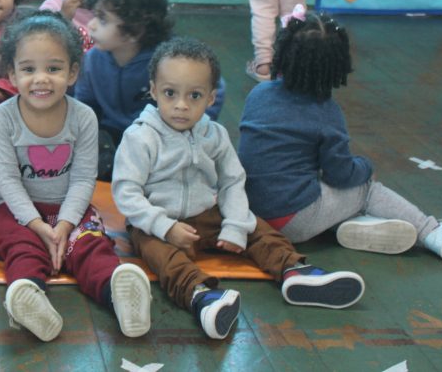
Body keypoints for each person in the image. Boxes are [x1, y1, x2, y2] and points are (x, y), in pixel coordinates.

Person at [113, 37, 364, 341]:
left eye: (194, 95)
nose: (181, 105)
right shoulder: (140, 137)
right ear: (154, 90)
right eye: (170, 93)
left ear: (210, 98)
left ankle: (294, 271)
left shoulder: (215, 134)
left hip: (207, 214)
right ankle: (201, 296)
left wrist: (234, 226)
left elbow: (232, 181)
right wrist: (165, 227)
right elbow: (126, 193)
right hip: (156, 222)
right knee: (158, 253)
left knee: (257, 227)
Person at [239, 6, 442, 260]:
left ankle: (353, 223)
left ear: (284, 52)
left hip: (252, 213)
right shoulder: (325, 112)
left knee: (318, 184)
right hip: (292, 222)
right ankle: (433, 232)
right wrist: (365, 167)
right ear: (336, 66)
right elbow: (341, 174)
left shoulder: (258, 94)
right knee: (365, 189)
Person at [0, 11, 152, 342]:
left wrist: (64, 225)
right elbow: (7, 180)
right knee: (22, 247)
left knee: (91, 246)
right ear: (12, 74)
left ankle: (118, 295)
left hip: (70, 210)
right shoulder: (2, 118)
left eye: (53, 68)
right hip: (17, 212)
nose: (41, 79)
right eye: (28, 69)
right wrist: (37, 225)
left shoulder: (83, 118)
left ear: (73, 72)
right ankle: (28, 294)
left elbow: (82, 180)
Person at [75, 0, 225, 180]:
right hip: (113, 137)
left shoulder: (171, 61)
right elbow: (86, 107)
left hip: (164, 137)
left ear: (134, 31)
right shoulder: (93, 60)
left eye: (102, 19)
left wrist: (189, 127)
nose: (91, 25)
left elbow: (215, 87)